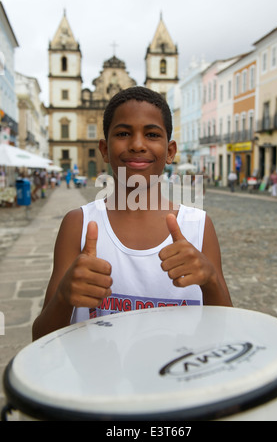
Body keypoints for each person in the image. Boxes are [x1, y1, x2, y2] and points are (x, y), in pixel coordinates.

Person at [32, 87, 232, 340]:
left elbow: (227, 332)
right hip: (98, 378)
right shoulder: (79, 224)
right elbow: (40, 339)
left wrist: (211, 280)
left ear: (170, 151)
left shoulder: (199, 226)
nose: (137, 145)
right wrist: (63, 296)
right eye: (124, 133)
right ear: (104, 149)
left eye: (151, 134)